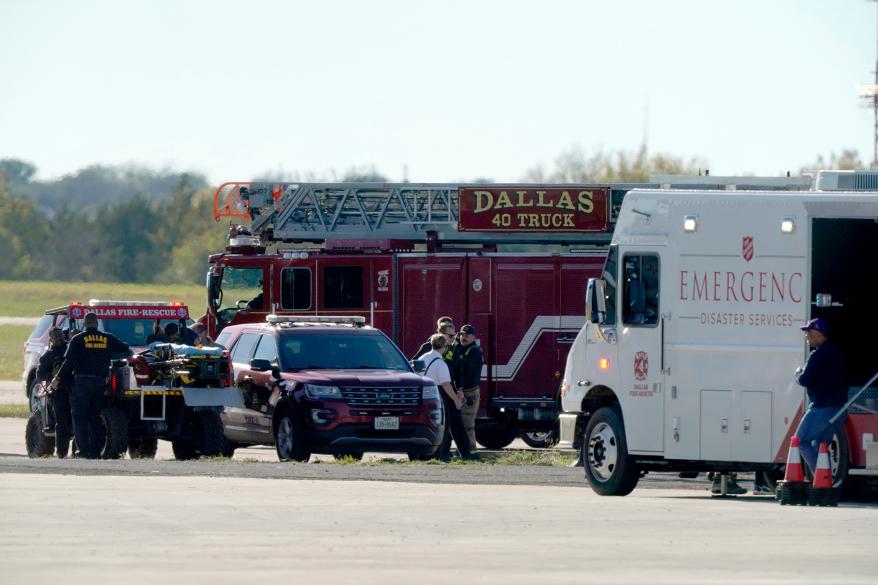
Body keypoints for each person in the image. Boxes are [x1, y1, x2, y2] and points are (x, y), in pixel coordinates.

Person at [51, 312, 130, 459]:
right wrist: (109, 354)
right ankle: (95, 451)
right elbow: (126, 348)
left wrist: (57, 378)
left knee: (80, 417)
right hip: (100, 383)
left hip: (81, 383)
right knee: (94, 417)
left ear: (85, 324)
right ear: (97, 323)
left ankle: (83, 451)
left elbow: (68, 363)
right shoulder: (106, 337)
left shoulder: (78, 339)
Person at [794, 317, 847, 476]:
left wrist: (797, 374)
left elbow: (805, 380)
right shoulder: (838, 353)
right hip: (839, 409)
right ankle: (826, 483)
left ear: (818, 334)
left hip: (820, 407)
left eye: (809, 333)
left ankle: (822, 477)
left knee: (801, 441)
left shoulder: (817, 355)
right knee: (822, 445)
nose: (807, 337)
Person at [420, 334, 476, 461]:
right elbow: (446, 385)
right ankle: (442, 455)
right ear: (444, 347)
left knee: (431, 424)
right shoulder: (441, 363)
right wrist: (456, 400)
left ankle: (429, 455)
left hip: (425, 394)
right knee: (444, 426)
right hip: (439, 394)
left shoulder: (424, 358)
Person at [37, 328, 72, 458]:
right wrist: (51, 375)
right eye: (55, 336)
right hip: (58, 392)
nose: (58, 338)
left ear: (64, 336)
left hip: (74, 390)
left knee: (76, 421)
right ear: (51, 339)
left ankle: (74, 451)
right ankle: (62, 453)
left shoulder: (71, 350)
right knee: (62, 422)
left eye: (60, 335)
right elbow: (40, 374)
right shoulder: (48, 356)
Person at [454, 324, 483, 450]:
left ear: (473, 337)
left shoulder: (474, 351)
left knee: (467, 425)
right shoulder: (462, 348)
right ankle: (464, 450)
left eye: (467, 335)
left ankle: (471, 451)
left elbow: (464, 367)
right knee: (460, 424)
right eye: (461, 335)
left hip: (469, 392)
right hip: (462, 391)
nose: (463, 337)